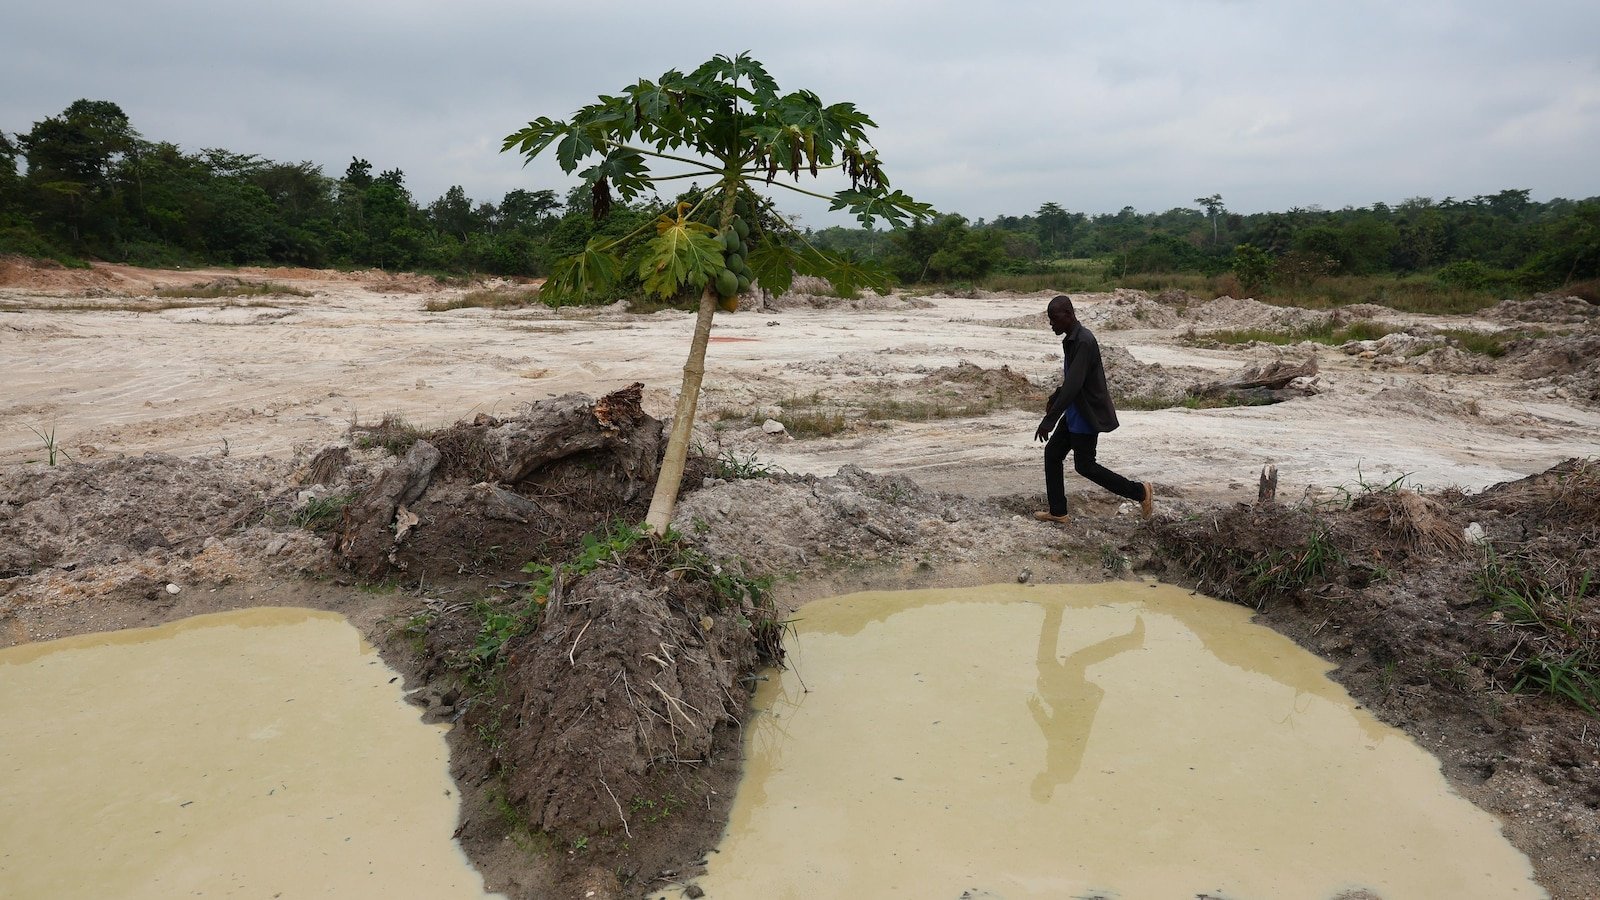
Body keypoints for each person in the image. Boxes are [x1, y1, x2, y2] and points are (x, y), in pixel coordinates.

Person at [1033, 294, 1152, 522]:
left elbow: (1075, 385)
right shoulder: (1072, 339)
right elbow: (1072, 381)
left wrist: (1049, 420)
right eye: (1049, 319)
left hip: (1086, 414)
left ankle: (1140, 492)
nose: (1051, 324)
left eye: (1054, 319)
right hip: (1075, 412)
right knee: (1053, 454)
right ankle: (1058, 511)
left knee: (1085, 465)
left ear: (1069, 315)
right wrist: (1055, 396)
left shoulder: (1084, 341)